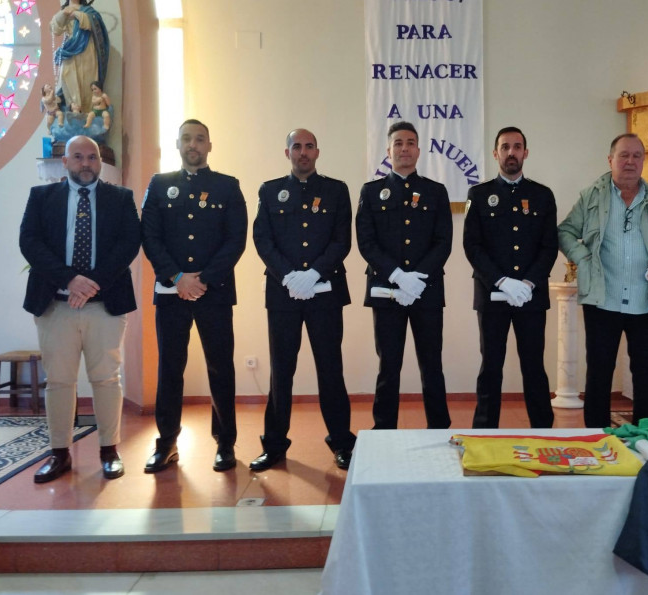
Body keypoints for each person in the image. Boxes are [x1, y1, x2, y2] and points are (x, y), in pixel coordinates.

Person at [19, 135, 140, 483]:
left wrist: (91, 285)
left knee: (107, 379)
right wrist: (70, 280)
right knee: (59, 381)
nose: (86, 163)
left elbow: (128, 244)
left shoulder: (121, 198)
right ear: (65, 162)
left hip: (105, 305)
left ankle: (109, 451)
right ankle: (59, 454)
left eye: (92, 157)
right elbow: (30, 242)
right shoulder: (41, 197)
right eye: (78, 157)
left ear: (99, 162)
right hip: (55, 305)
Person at [558, 133, 648, 428]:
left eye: (636, 156)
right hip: (603, 300)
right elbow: (565, 231)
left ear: (643, 160)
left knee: (645, 374)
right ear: (610, 160)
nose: (630, 161)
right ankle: (597, 438)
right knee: (599, 373)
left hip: (647, 301)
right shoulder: (591, 196)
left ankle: (645, 438)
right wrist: (583, 258)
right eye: (624, 155)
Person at [141, 119, 248, 473]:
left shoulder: (227, 186)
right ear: (177, 144)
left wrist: (203, 280)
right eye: (186, 138)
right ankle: (167, 443)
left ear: (209, 145)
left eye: (200, 139)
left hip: (214, 293)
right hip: (172, 293)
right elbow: (150, 237)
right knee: (170, 369)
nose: (193, 144)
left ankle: (225, 443)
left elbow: (236, 239)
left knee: (221, 368)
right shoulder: (159, 185)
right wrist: (177, 278)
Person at [250, 129, 356, 471]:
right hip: (283, 295)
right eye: (297, 147)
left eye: (309, 146)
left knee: (331, 369)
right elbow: (263, 239)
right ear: (287, 153)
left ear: (317, 152)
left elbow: (342, 240)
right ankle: (274, 445)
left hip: (325, 293)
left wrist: (314, 275)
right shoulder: (269, 191)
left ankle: (341, 441)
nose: (303, 152)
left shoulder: (336, 190)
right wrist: (289, 276)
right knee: (281, 371)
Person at [356, 121, 453, 429]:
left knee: (432, 365)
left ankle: (439, 428)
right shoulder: (372, 192)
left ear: (418, 150)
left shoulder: (436, 192)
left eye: (410, 142)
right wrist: (399, 276)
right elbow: (366, 242)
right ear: (388, 151)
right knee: (388, 365)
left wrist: (417, 278)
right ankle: (384, 430)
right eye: (398, 143)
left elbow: (443, 242)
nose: (404, 148)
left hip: (426, 290)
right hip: (387, 291)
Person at [463, 127, 557, 428]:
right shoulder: (479, 195)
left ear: (525, 153)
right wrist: (502, 281)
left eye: (517, 147)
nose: (511, 152)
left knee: (534, 366)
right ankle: (484, 431)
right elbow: (472, 246)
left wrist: (528, 283)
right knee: (490, 366)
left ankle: (543, 430)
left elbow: (549, 246)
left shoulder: (542, 195)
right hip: (492, 296)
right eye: (505, 147)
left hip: (531, 297)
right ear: (495, 153)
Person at [51, 0, 109, 114]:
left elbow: (94, 24)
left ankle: (88, 112)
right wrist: (64, 13)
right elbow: (55, 29)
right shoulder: (64, 11)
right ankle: (74, 110)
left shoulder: (88, 11)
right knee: (67, 76)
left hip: (87, 48)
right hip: (70, 49)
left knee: (87, 79)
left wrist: (77, 14)